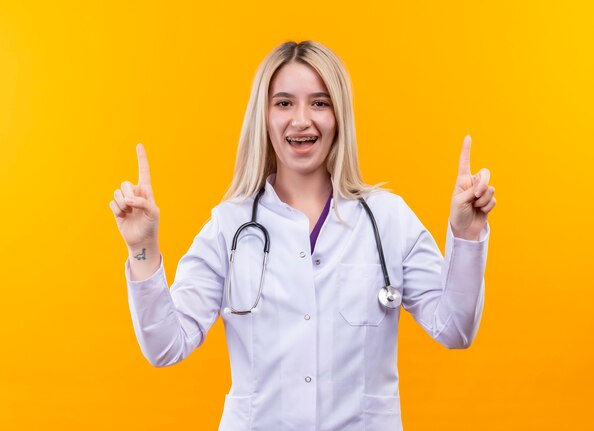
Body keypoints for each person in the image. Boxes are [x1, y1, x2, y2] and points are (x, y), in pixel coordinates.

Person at [109, 40, 496, 430]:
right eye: (283, 103)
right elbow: (165, 346)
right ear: (264, 116)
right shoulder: (230, 226)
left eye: (319, 102)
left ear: (339, 115)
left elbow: (455, 329)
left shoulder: (387, 219)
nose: (301, 120)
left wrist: (467, 234)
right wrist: (142, 248)